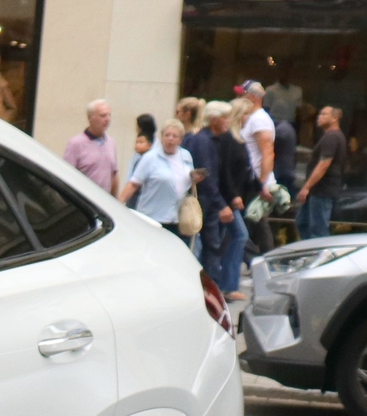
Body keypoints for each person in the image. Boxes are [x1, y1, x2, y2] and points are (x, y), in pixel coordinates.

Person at [185, 100, 251, 295]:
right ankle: (211, 290)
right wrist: (222, 204)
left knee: (211, 245)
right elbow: (207, 178)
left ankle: (213, 288)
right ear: (214, 120)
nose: (229, 121)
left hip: (211, 201)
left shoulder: (210, 140)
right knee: (210, 246)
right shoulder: (204, 141)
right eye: (225, 117)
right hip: (207, 203)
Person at [123, 119, 194, 250]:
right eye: (167, 135)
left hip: (176, 218)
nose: (170, 139)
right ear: (161, 138)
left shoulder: (186, 156)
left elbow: (187, 178)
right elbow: (134, 183)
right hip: (153, 217)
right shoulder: (150, 158)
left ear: (180, 140)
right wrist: (119, 203)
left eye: (174, 136)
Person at [294, 104, 344, 241]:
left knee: (318, 228)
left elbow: (323, 165)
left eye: (324, 114)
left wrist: (306, 187)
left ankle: (321, 257)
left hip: (323, 190)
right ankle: (309, 252)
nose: (319, 117)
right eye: (319, 114)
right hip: (316, 190)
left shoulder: (332, 137)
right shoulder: (328, 137)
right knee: (302, 222)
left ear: (335, 118)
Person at [63, 99, 119, 196]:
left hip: (105, 203)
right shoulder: (76, 144)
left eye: (109, 115)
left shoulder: (111, 143)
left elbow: (114, 175)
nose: (107, 119)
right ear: (90, 118)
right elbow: (66, 176)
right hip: (83, 203)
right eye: (103, 116)